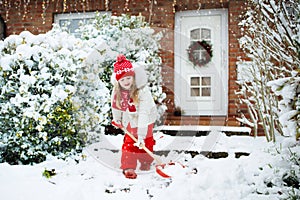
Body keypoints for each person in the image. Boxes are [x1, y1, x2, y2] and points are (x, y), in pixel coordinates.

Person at [110, 54, 158, 179]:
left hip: (146, 117)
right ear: (118, 81)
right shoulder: (117, 91)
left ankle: (146, 161)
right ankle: (128, 166)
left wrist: (141, 135)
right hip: (130, 117)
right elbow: (116, 106)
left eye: (128, 78)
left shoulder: (142, 90)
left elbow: (143, 113)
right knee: (130, 140)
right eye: (122, 80)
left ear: (133, 76)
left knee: (145, 141)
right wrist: (117, 119)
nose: (126, 82)